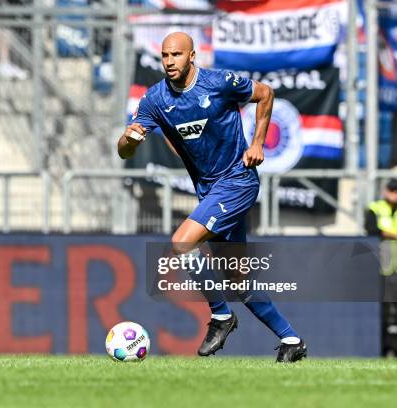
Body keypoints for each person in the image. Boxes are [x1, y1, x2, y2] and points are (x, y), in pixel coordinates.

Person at [117, 32, 306, 362]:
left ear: (192, 56)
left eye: (176, 54)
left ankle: (221, 316)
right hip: (209, 190)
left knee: (181, 243)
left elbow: (265, 94)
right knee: (238, 280)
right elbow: (123, 149)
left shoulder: (219, 83)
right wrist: (130, 141)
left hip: (238, 181)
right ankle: (291, 340)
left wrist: (258, 143)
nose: (169, 61)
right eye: (164, 55)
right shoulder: (155, 100)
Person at [365, 179, 397, 356]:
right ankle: (385, 350)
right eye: (392, 190)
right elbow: (371, 229)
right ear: (385, 191)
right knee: (385, 312)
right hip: (383, 268)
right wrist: (392, 234)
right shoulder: (376, 207)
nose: (394, 194)